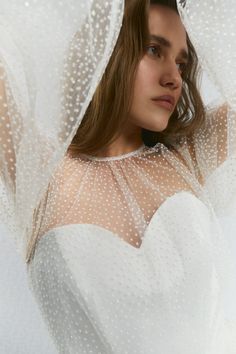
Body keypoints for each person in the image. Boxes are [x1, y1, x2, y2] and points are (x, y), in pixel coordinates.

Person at [0, 0, 236, 353]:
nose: (174, 77)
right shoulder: (44, 177)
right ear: (107, 50)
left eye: (181, 63)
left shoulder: (187, 159)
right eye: (155, 49)